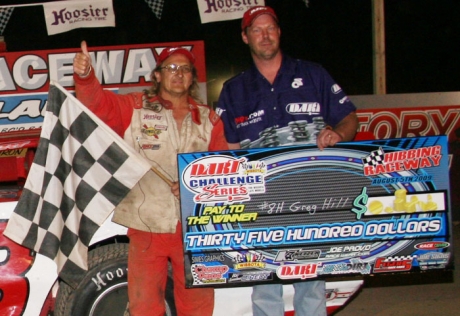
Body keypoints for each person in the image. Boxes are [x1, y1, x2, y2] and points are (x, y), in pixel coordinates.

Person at [216, 6, 359, 316]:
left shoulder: (313, 74)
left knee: (311, 286)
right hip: (260, 203)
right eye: (256, 30)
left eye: (270, 28)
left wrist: (337, 134)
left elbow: (349, 117)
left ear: (279, 33)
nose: (264, 35)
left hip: (312, 195)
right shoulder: (233, 90)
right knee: (265, 285)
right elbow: (227, 148)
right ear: (245, 37)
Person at [73, 41, 227, 316]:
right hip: (146, 226)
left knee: (198, 307)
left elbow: (223, 174)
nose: (178, 74)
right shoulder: (136, 107)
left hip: (196, 229)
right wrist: (85, 77)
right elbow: (98, 105)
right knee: (144, 307)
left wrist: (196, 189)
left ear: (192, 77)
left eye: (185, 69)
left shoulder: (210, 119)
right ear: (158, 74)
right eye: (171, 68)